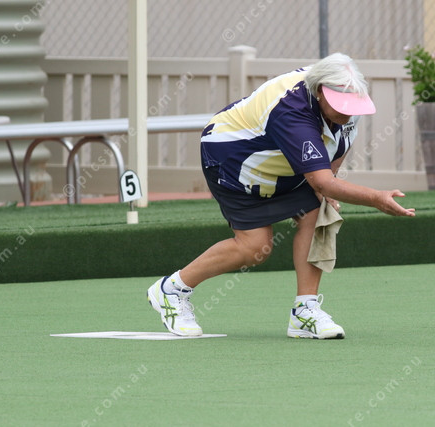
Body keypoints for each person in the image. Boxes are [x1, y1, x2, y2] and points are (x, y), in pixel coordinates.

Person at [147, 53, 415, 339]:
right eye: (341, 106)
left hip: (279, 159)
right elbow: (322, 181)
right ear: (319, 92)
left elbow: (337, 149)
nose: (348, 113)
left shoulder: (345, 100)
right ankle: (171, 289)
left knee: (317, 213)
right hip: (234, 158)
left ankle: (305, 311)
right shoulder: (291, 113)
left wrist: (327, 184)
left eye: (353, 106)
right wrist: (375, 198)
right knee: (255, 247)